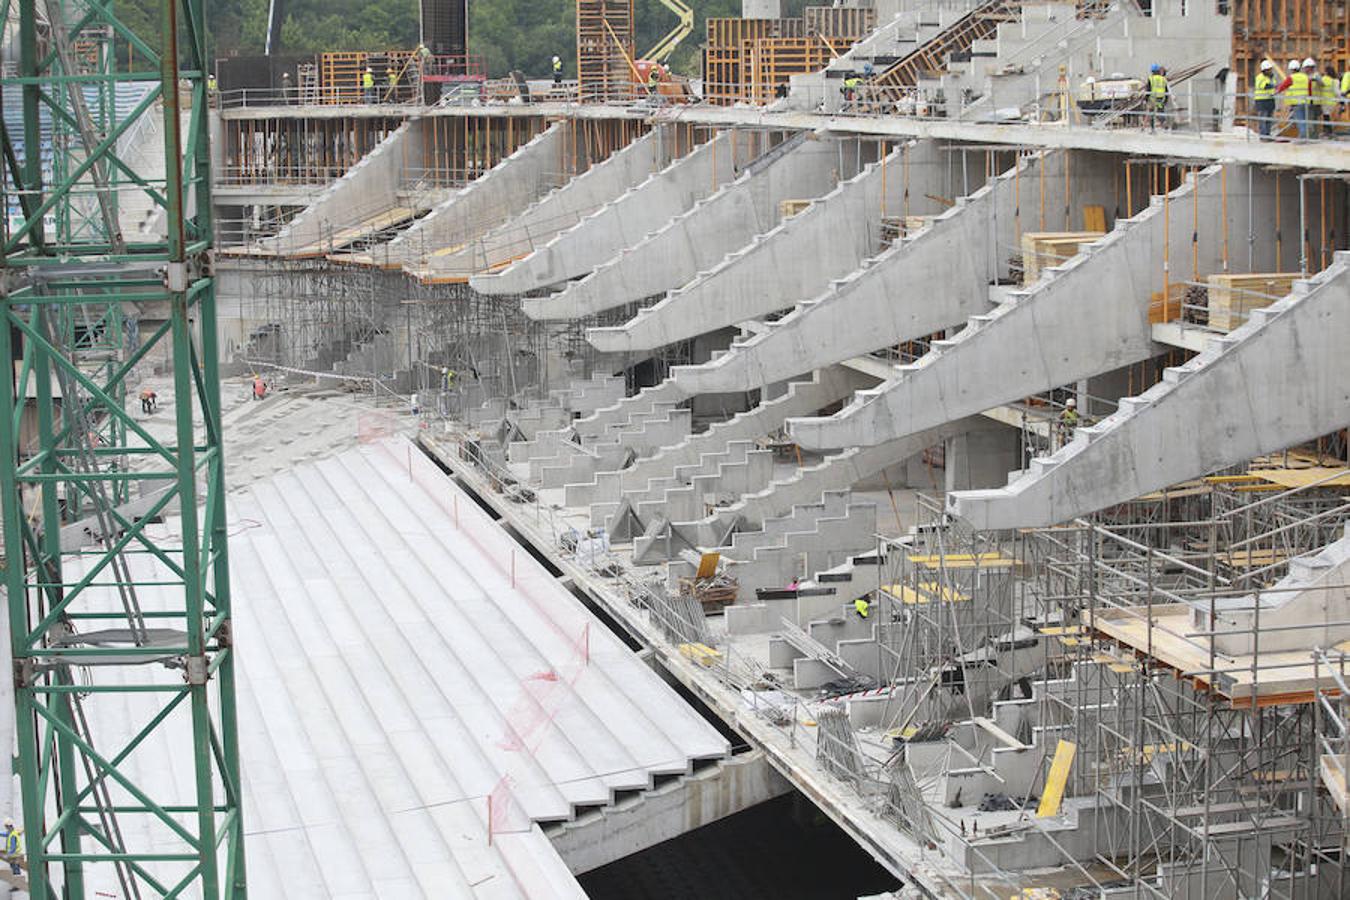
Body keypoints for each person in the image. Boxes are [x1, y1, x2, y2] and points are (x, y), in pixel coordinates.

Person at [1277, 58, 1312, 139]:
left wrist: (1275, 92)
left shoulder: (1291, 78)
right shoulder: (1306, 77)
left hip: (1296, 102)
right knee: (1305, 120)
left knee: (1300, 120)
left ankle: (1303, 137)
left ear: (1291, 69)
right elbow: (1309, 89)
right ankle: (1306, 136)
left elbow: (1282, 86)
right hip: (1306, 101)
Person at [1253, 59, 1276, 138]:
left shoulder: (1271, 77)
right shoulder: (1260, 77)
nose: (1270, 71)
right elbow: (1264, 86)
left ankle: (1268, 134)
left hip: (1270, 99)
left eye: (1270, 69)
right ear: (1264, 70)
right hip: (1261, 101)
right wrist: (1274, 86)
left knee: (1269, 119)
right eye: (1269, 69)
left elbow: (1274, 86)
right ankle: (1263, 135)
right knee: (1263, 119)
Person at [1147, 64, 1169, 130]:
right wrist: (1166, 100)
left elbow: (1148, 89)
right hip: (1161, 98)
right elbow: (1166, 90)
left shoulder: (1151, 78)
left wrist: (1146, 98)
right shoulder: (1163, 79)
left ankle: (1152, 128)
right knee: (1160, 111)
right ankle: (1164, 122)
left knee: (1151, 112)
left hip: (1152, 98)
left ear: (1152, 71)